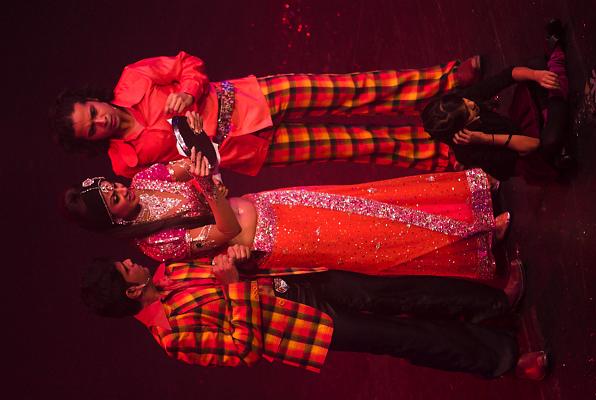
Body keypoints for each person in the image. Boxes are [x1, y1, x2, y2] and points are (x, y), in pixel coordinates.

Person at [80, 246, 547, 379]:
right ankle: (505, 360)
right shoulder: (170, 335)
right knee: (403, 337)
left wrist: (239, 260)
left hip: (296, 281)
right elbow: (242, 349)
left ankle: (495, 303)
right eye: (125, 268)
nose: (131, 261)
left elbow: (233, 267)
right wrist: (234, 286)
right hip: (304, 327)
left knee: (396, 291)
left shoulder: (170, 272)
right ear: (131, 292)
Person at [63, 149, 509, 280]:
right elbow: (226, 230)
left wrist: (196, 159)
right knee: (371, 239)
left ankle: (468, 198)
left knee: (367, 200)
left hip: (273, 201)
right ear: (115, 221)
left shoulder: (145, 178)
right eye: (113, 199)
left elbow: (195, 162)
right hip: (275, 240)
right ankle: (476, 237)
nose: (120, 189)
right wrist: (209, 188)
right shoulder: (155, 244)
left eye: (110, 185)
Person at [50, 51, 482, 177]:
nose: (101, 120)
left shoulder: (133, 78)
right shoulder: (125, 164)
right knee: (355, 144)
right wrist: (191, 168)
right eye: (92, 129)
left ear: (94, 100)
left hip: (253, 98)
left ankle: (446, 81)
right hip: (248, 150)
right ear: (92, 141)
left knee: (352, 91)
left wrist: (186, 91)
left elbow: (189, 64)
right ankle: (445, 155)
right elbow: (176, 185)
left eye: (92, 112)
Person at [420, 20, 571, 182]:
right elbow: (533, 145)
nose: (471, 103)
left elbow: (507, 76)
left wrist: (536, 75)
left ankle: (554, 106)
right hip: (528, 150)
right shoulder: (468, 152)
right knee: (550, 141)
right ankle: (556, 63)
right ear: (461, 128)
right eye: (468, 110)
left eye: (464, 101)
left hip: (521, 124)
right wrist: (485, 139)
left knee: (535, 67)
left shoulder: (468, 98)